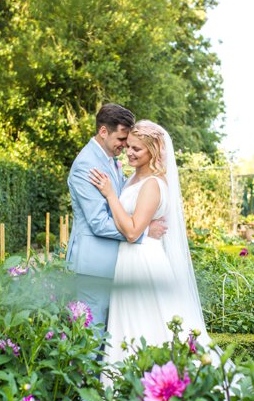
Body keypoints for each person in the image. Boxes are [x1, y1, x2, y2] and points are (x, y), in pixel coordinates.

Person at [88, 120, 211, 365]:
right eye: (129, 146)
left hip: (143, 260)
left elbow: (133, 231)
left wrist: (111, 195)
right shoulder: (133, 178)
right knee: (130, 325)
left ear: (152, 151)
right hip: (130, 259)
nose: (130, 153)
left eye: (137, 149)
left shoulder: (153, 184)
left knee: (148, 323)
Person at [66, 103, 166, 328]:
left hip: (115, 263)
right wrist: (144, 231)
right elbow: (99, 223)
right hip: (94, 265)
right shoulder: (86, 165)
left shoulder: (110, 160)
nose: (125, 146)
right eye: (121, 139)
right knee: (92, 337)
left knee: (111, 337)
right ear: (103, 132)